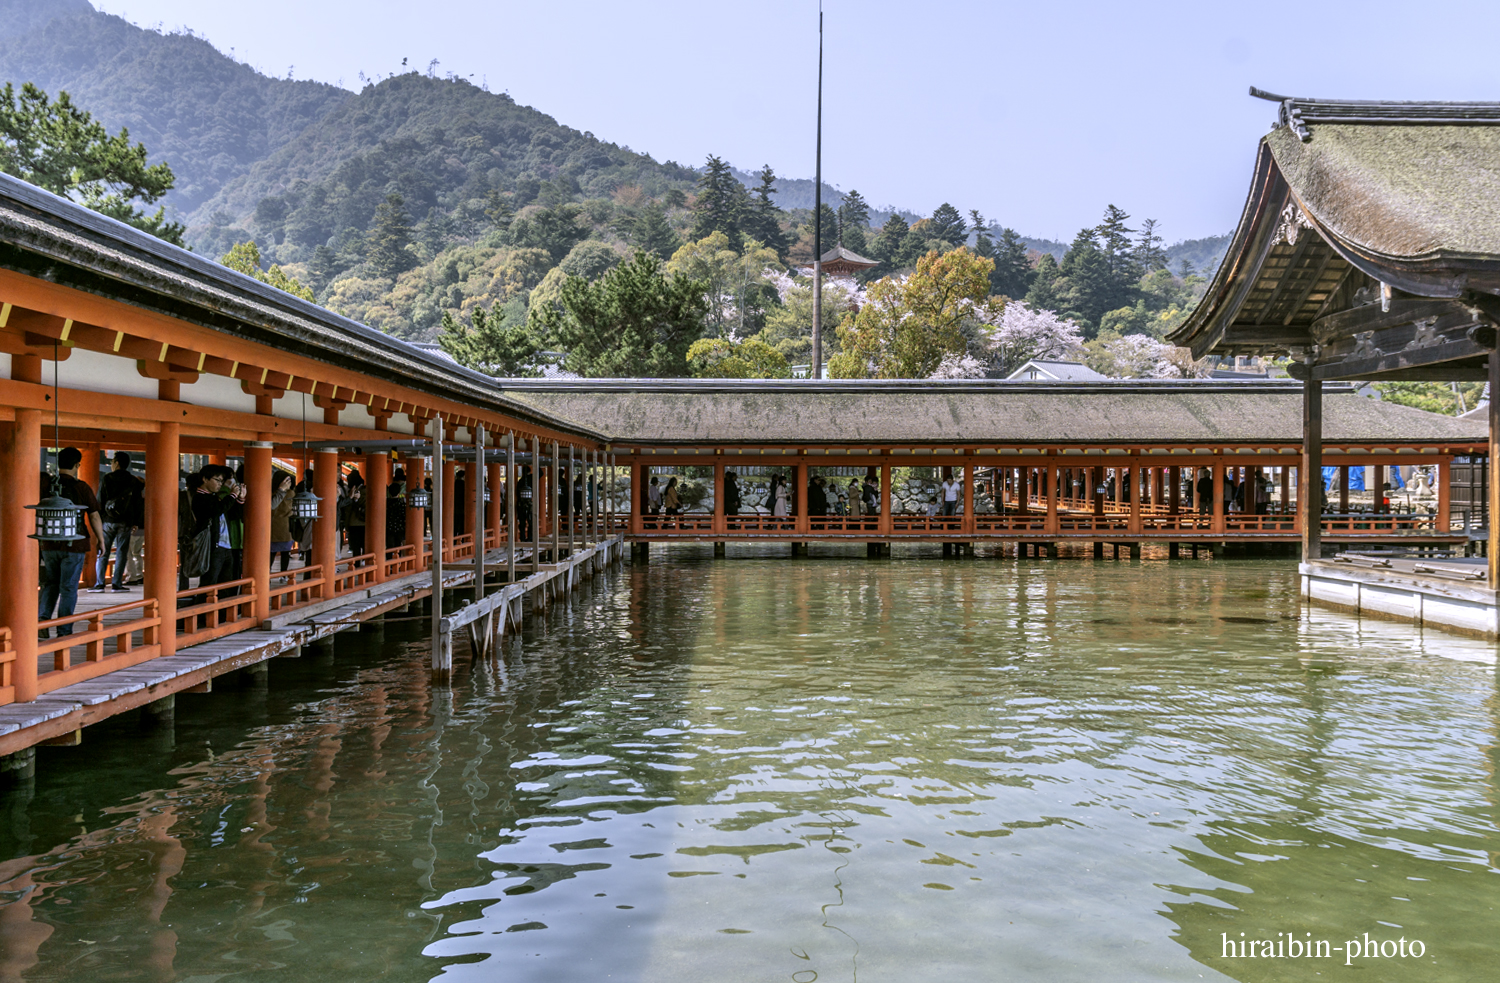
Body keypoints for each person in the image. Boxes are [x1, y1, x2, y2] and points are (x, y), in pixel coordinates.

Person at [38, 447, 102, 639]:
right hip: (74, 544)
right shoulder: (81, 487)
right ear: (77, 465)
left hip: (49, 544)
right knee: (68, 586)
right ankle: (64, 629)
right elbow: (94, 515)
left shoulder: (46, 485)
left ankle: (43, 622)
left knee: (50, 583)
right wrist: (101, 539)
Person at [92, 450, 142, 593]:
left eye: (113, 461)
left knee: (103, 551)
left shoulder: (107, 478)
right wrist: (135, 522)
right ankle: (116, 584)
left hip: (108, 521)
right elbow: (138, 503)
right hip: (126, 521)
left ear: (117, 463)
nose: (111, 464)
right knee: (121, 552)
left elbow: (100, 500)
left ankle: (99, 584)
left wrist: (99, 520)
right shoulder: (133, 481)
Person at [270, 471, 297, 572]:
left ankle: (267, 574)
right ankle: (283, 574)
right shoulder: (290, 493)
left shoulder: (270, 492)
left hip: (272, 525)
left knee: (271, 552)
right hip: (285, 526)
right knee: (285, 552)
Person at [344, 482, 367, 562]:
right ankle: (364, 562)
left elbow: (348, 512)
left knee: (356, 547)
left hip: (354, 524)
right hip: (364, 525)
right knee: (365, 546)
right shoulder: (369, 498)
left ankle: (357, 563)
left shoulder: (354, 500)